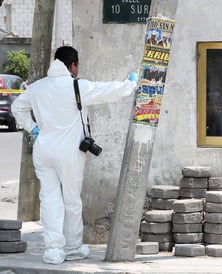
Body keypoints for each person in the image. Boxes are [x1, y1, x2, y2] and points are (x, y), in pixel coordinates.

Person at [11, 46, 137, 265]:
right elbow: (108, 91)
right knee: (71, 200)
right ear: (73, 65)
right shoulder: (76, 86)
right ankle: (72, 247)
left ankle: (52, 250)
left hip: (44, 149)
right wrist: (131, 83)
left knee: (49, 200)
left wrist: (32, 128)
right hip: (68, 152)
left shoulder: (37, 88)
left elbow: (17, 108)